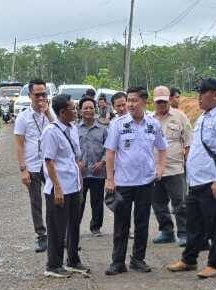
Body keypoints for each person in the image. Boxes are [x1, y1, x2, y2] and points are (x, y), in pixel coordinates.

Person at [166, 78, 216, 279]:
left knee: (215, 224)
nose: (199, 98)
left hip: (211, 181)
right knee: (194, 223)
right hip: (196, 180)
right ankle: (189, 259)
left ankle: (215, 264)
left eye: (203, 93)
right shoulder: (204, 117)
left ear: (215, 94)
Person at [103, 86, 167, 276]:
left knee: (142, 223)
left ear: (144, 102)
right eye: (128, 100)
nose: (130, 104)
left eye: (134, 100)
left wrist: (160, 168)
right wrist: (110, 179)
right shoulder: (118, 124)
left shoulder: (152, 124)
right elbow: (110, 152)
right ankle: (117, 262)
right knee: (121, 224)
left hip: (146, 182)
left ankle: (138, 259)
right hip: (123, 182)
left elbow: (162, 148)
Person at [41, 94, 89, 278]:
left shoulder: (73, 128)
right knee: (56, 227)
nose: (76, 112)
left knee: (73, 225)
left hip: (74, 185)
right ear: (62, 112)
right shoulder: (51, 132)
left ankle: (73, 260)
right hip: (59, 188)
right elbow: (49, 161)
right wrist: (57, 189)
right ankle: (53, 265)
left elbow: (74, 156)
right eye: (73, 109)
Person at [14, 79, 53, 252]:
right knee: (36, 202)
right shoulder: (23, 117)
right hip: (33, 166)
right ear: (30, 95)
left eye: (43, 94)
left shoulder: (50, 113)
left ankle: (58, 234)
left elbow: (58, 131)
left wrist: (48, 114)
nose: (41, 97)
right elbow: (19, 145)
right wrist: (23, 169)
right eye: (37, 94)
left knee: (55, 200)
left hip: (50, 165)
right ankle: (41, 235)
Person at [150, 85, 192, 246]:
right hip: (154, 169)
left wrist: (188, 164)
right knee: (158, 203)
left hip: (175, 168)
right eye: (158, 101)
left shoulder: (180, 117)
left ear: (169, 100)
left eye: (164, 101)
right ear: (153, 101)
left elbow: (189, 142)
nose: (161, 104)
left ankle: (184, 233)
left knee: (180, 203)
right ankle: (166, 231)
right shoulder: (149, 119)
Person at [76, 97, 108, 237]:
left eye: (91, 108)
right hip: (80, 174)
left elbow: (109, 149)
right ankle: (74, 226)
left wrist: (102, 162)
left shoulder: (103, 130)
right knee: (78, 201)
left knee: (97, 201)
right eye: (85, 108)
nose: (88, 110)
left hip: (97, 172)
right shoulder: (74, 129)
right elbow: (70, 148)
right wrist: (77, 162)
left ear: (95, 110)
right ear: (80, 110)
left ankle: (95, 227)